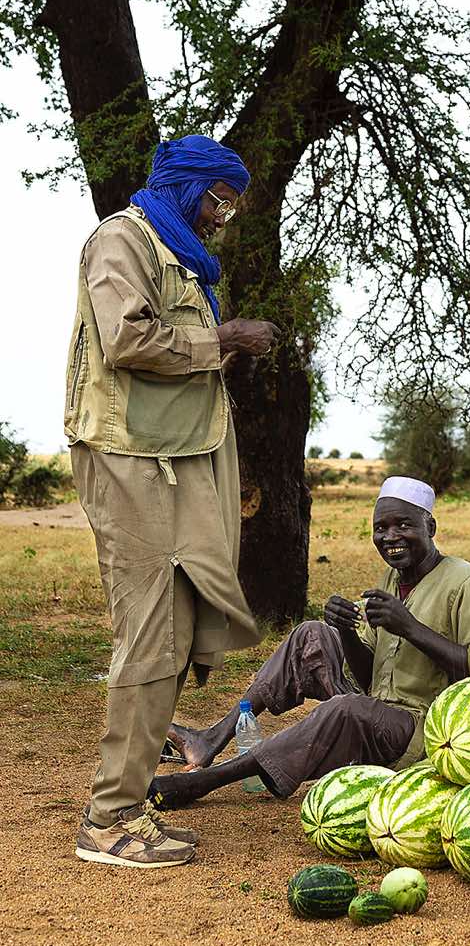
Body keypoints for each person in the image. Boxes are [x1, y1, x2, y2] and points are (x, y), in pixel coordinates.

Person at [66, 134, 280, 868]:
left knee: (180, 621)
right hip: (131, 460)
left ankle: (130, 804)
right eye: (220, 199)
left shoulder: (180, 253)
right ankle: (109, 819)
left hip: (172, 459)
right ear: (191, 188)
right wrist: (221, 338)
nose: (225, 216)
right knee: (151, 631)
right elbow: (127, 339)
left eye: (232, 205)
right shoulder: (123, 241)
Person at [151, 475, 470, 810]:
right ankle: (213, 738)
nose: (390, 537)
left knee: (347, 709)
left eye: (404, 525)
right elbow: (370, 680)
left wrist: (410, 628)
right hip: (379, 711)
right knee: (311, 634)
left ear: (431, 526)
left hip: (427, 733)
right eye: (381, 528)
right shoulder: (395, 580)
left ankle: (203, 782)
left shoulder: (468, 584)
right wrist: (344, 631)